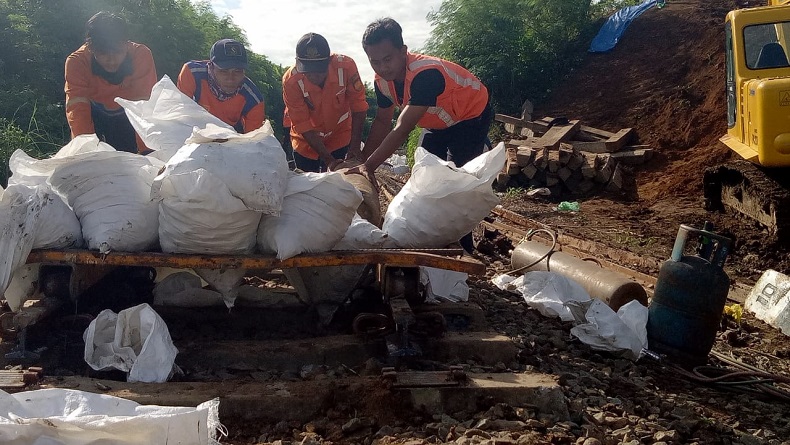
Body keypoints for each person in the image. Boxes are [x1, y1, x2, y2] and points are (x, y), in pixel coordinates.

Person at [356, 17, 493, 252]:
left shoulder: (426, 74)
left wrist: (369, 166)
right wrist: (360, 162)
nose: (382, 67)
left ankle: (464, 246)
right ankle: (432, 235)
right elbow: (381, 121)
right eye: (374, 61)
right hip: (437, 122)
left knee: (459, 180)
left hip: (470, 117)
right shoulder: (382, 83)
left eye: (387, 59)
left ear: (403, 51)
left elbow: (402, 127)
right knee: (424, 172)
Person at [64, 11, 157, 154]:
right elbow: (78, 110)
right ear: (91, 48)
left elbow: (144, 107)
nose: (112, 60)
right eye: (103, 53)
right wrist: (86, 152)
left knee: (135, 156)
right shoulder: (76, 62)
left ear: (126, 45)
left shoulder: (141, 55)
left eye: (118, 52)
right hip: (95, 115)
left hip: (131, 114)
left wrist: (148, 152)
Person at [281, 33, 368, 172]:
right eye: (308, 71)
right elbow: (301, 123)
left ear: (329, 61)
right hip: (305, 144)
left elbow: (359, 106)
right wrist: (328, 160)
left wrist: (355, 147)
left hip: (339, 137)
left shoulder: (346, 67)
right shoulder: (291, 81)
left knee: (340, 184)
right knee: (308, 188)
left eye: (319, 71)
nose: (314, 76)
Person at [177, 39, 265, 133]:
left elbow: (253, 140)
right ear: (211, 67)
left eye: (237, 71)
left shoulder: (254, 99)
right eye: (224, 71)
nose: (230, 78)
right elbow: (179, 116)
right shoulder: (192, 74)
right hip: (192, 130)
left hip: (231, 139)